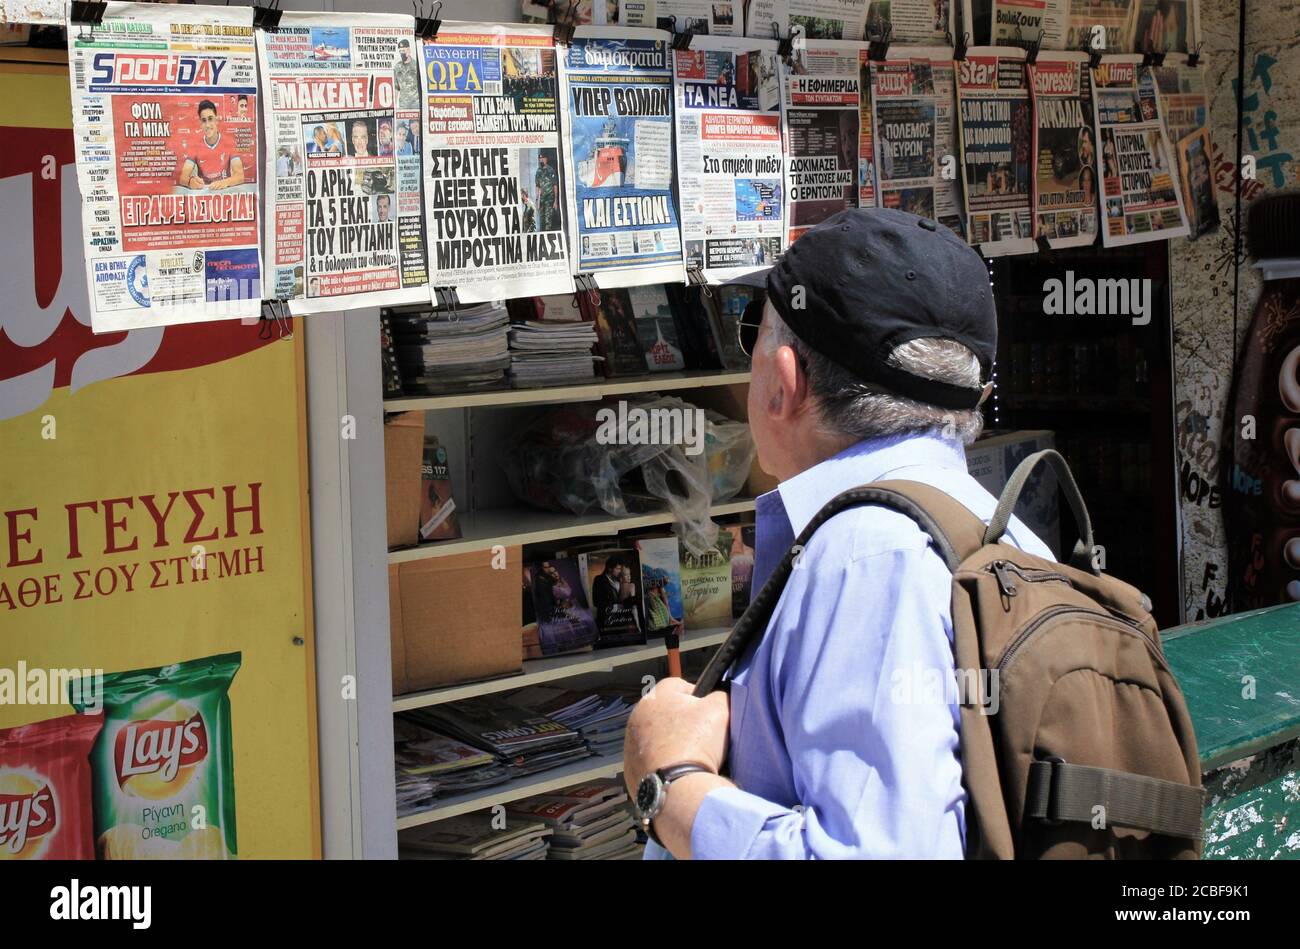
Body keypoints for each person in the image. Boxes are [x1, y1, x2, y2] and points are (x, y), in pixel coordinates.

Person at [625, 207, 1053, 859]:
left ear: (784, 384)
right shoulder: (1008, 532)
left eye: (754, 334)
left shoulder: (867, 555)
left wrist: (672, 784)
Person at [178, 99, 245, 190]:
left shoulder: (229, 142)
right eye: (204, 121)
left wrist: (224, 182)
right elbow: (183, 178)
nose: (208, 125)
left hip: (224, 192)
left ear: (216, 120)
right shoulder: (195, 145)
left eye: (210, 119)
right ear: (201, 124)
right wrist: (190, 182)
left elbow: (240, 176)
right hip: (205, 193)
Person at [535, 151, 559, 231]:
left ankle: (547, 233)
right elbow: (537, 186)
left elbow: (555, 185)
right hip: (541, 200)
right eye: (540, 159)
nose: (541, 160)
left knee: (548, 220)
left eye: (543, 158)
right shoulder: (538, 171)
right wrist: (537, 200)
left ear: (546, 159)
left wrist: (555, 200)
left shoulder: (550, 170)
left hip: (549, 199)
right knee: (541, 219)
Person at [395, 38, 420, 111]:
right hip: (403, 105)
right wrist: (395, 106)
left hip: (416, 104)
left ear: (409, 50)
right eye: (400, 51)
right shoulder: (397, 67)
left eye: (403, 51)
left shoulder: (416, 66)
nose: (402, 53)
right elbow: (396, 87)